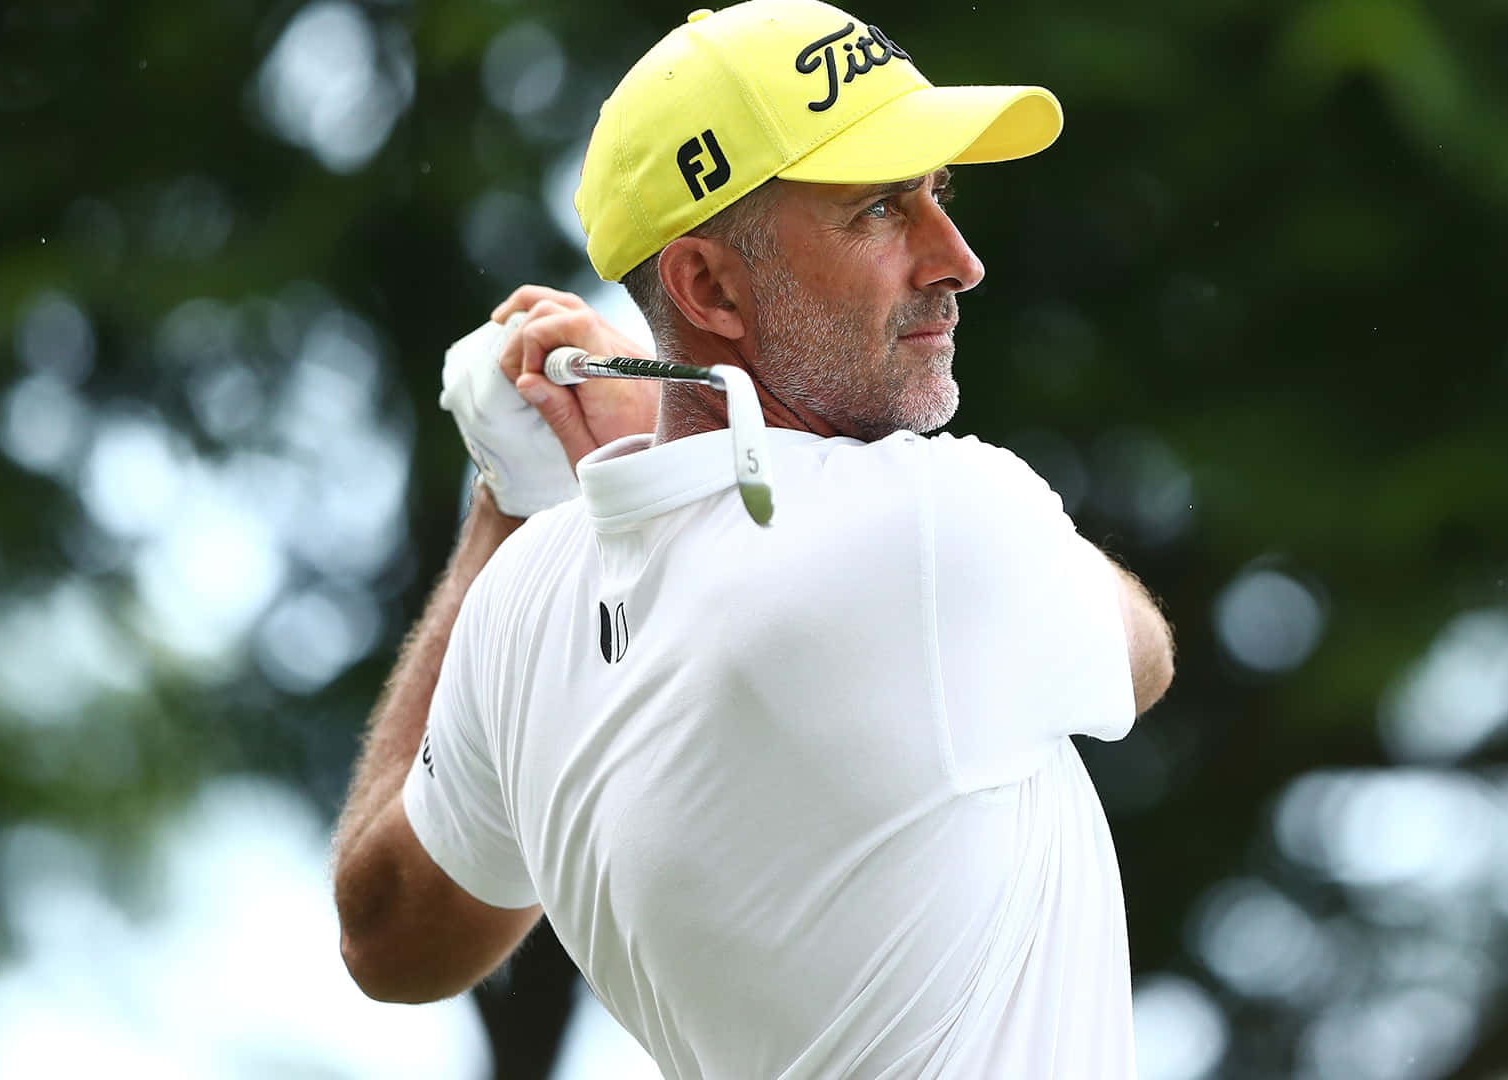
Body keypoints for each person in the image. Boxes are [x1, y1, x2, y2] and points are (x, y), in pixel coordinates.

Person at [330, 0, 1175, 1075]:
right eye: (880, 209)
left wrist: (513, 497)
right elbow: (1143, 653)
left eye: (937, 194)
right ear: (709, 287)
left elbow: (390, 940)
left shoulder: (522, 601)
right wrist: (665, 439)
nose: (955, 258)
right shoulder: (936, 524)